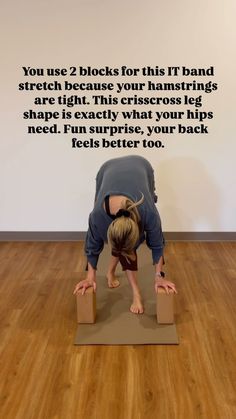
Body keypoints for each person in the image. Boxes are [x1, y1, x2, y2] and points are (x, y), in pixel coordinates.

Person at [73, 155, 177, 314]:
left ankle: (134, 292)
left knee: (126, 250)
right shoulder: (97, 216)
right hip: (106, 169)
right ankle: (111, 272)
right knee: (121, 245)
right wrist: (90, 277)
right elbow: (92, 247)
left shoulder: (149, 214)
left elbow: (157, 246)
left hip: (141, 165)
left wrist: (159, 276)